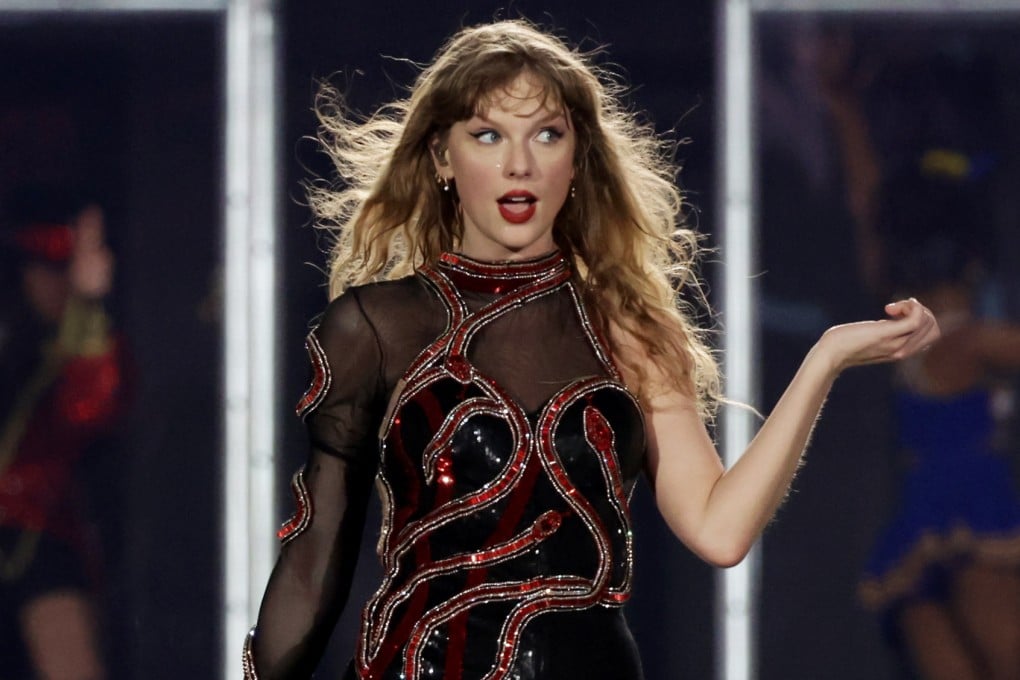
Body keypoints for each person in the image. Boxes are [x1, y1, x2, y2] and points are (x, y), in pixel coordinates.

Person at [246, 20, 939, 680]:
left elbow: (719, 531)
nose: (519, 164)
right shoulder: (376, 326)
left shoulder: (628, 327)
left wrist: (823, 361)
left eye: (546, 134)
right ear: (441, 157)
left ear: (576, 160)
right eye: (488, 135)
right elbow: (316, 556)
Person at [858, 189, 1020, 678]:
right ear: (973, 263)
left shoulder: (902, 329)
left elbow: (867, 221)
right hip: (974, 516)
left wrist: (846, 122)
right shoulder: (968, 340)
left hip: (921, 528)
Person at [0, 195, 126, 680]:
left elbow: (92, 409)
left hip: (39, 537)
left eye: (63, 266)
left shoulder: (78, 344)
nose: (53, 282)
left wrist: (90, 302)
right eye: (42, 268)